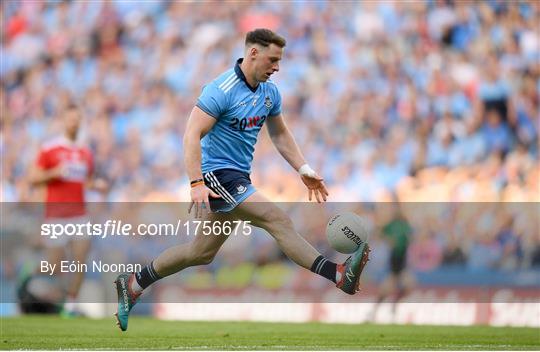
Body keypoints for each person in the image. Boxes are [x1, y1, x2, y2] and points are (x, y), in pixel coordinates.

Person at [114, 28, 370, 331]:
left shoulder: (269, 92)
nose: (277, 67)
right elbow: (191, 135)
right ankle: (337, 274)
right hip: (216, 176)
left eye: (279, 61)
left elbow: (279, 133)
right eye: (273, 60)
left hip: (238, 178)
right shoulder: (220, 89)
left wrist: (303, 169)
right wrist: (196, 183)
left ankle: (134, 282)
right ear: (253, 53)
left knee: (201, 253)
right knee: (278, 220)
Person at [29, 103, 105, 316]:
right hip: (55, 215)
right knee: (55, 265)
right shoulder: (49, 149)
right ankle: (30, 273)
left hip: (79, 215)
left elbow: (85, 181)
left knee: (80, 260)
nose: (74, 122)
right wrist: (54, 172)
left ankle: (69, 306)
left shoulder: (85, 152)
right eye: (70, 119)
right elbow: (34, 178)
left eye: (77, 119)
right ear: (63, 120)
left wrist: (96, 185)